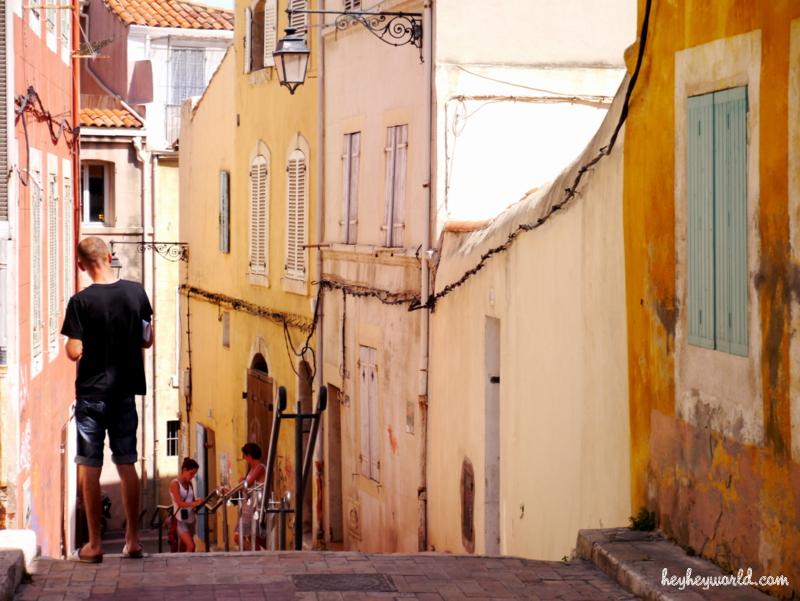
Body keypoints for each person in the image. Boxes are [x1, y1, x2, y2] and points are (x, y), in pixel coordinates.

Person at [61, 237, 154, 563]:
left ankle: (96, 544)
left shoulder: (80, 301)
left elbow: (74, 351)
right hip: (124, 391)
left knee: (90, 464)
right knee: (126, 460)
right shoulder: (136, 292)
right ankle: (133, 540)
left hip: (91, 393)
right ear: (111, 257)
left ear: (81, 265)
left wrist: (82, 344)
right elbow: (147, 339)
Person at [234, 443, 267, 550]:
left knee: (239, 536)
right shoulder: (252, 469)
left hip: (254, 507)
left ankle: (258, 555)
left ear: (249, 455)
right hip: (248, 507)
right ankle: (258, 557)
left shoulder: (260, 467)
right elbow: (246, 484)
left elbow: (247, 484)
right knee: (254, 538)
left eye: (244, 456)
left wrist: (242, 482)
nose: (244, 459)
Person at [169, 458, 204, 552]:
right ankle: (187, 564)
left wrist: (197, 501)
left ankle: (186, 564)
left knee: (186, 547)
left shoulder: (190, 484)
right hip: (180, 520)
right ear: (184, 470)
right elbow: (179, 503)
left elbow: (191, 500)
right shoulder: (175, 484)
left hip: (191, 519)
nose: (193, 476)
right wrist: (195, 503)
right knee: (191, 545)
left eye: (194, 474)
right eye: (191, 473)